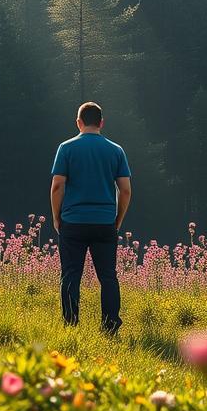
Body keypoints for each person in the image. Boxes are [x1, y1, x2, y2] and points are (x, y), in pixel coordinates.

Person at [49, 101, 131, 334]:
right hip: (105, 222)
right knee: (108, 277)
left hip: (73, 222)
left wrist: (57, 217)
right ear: (102, 123)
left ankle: (71, 325)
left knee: (71, 275)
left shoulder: (66, 148)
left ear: (78, 122)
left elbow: (57, 187)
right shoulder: (116, 150)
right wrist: (117, 220)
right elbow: (125, 189)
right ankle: (110, 326)